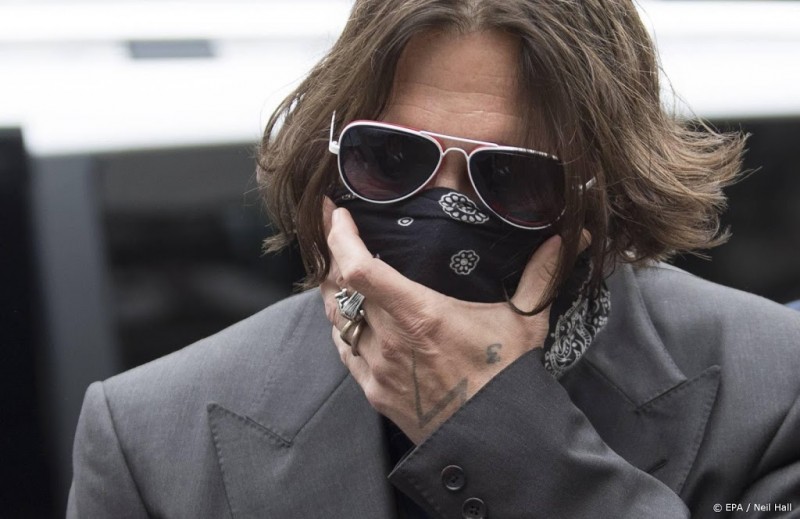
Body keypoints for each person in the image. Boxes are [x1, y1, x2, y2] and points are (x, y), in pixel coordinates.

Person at [68, 1, 800, 517]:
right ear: (332, 159)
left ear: (602, 194)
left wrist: (497, 428)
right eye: (392, 159)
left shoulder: (772, 390)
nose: (444, 213)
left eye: (511, 178)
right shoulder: (152, 436)